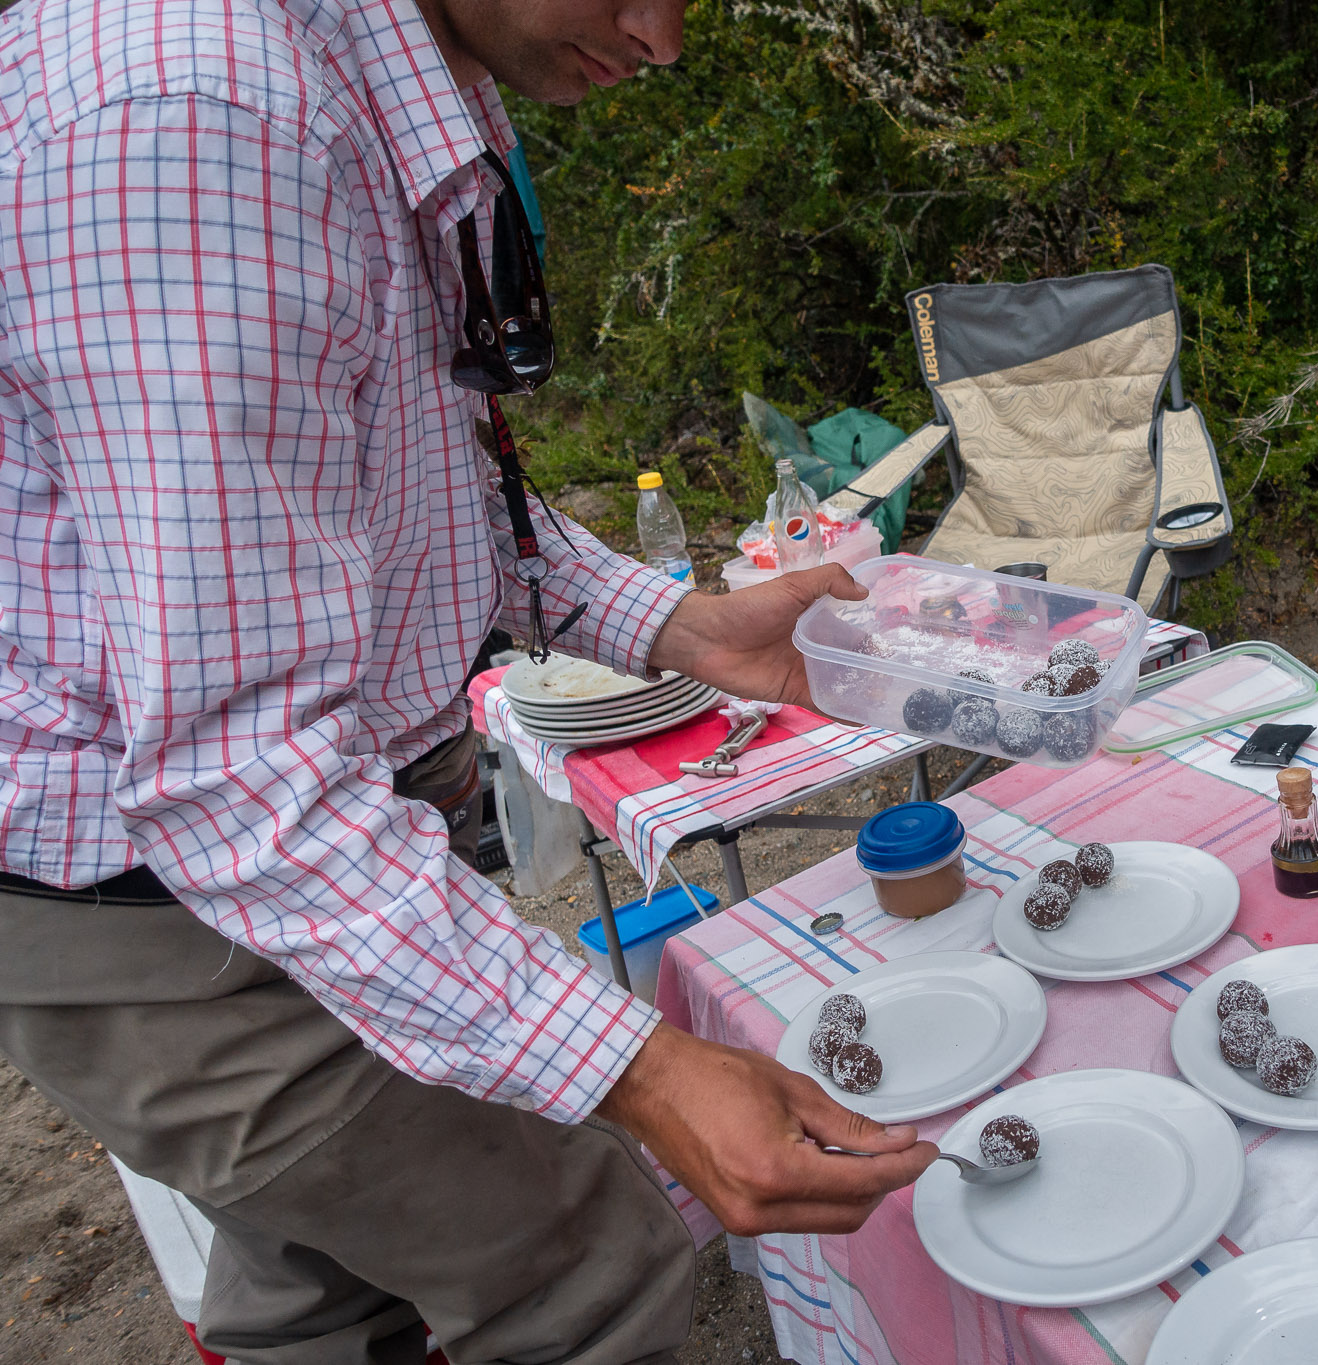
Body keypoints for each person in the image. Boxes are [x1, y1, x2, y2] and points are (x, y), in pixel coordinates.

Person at [0, 0, 934, 1360]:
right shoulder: (199, 113)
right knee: (588, 1264)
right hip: (175, 917)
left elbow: (409, 502)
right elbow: (230, 778)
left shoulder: (394, 69)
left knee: (326, 1285)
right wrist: (642, 1067)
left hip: (311, 854)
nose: (661, 40)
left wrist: (685, 626)